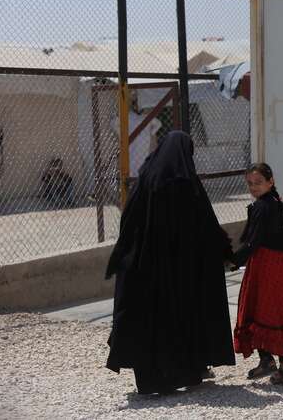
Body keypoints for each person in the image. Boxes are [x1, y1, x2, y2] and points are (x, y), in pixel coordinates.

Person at [105, 131, 235, 395]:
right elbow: (206, 225)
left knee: (150, 318)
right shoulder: (187, 183)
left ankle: (152, 378)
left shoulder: (146, 180)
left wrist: (126, 257)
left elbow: (128, 222)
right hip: (181, 270)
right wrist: (226, 252)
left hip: (146, 267)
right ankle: (186, 370)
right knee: (183, 314)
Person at [230, 163, 283, 386]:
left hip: (265, 264)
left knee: (258, 310)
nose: (254, 187)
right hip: (280, 265)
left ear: (270, 182)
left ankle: (267, 361)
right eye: (250, 184)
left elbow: (254, 241)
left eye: (258, 183)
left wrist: (234, 260)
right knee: (278, 313)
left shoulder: (263, 206)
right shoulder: (276, 203)